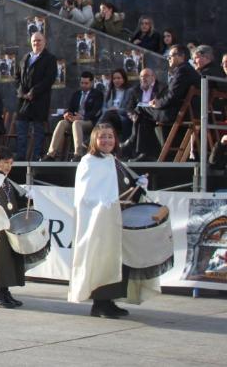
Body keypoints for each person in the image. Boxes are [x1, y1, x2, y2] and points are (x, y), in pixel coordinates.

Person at [70, 123, 165, 317]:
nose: (106, 141)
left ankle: (110, 300)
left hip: (118, 220)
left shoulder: (114, 161)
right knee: (103, 260)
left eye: (110, 137)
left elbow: (123, 188)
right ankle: (100, 303)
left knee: (118, 262)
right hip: (102, 223)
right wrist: (107, 203)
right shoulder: (89, 162)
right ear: (95, 139)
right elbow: (86, 196)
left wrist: (138, 186)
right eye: (102, 137)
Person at [0, 146, 46, 308]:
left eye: (11, 163)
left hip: (10, 227)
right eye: (5, 162)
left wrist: (27, 197)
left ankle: (5, 293)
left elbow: (17, 199)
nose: (8, 166)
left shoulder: (6, 181)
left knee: (9, 261)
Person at [123, 46, 199, 161]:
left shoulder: (183, 70)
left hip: (177, 112)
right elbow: (172, 94)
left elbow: (172, 96)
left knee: (140, 110)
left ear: (181, 56)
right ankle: (146, 152)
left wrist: (157, 103)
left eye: (171, 56)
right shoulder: (187, 70)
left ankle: (140, 147)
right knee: (144, 112)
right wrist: (157, 101)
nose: (168, 58)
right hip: (182, 110)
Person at [15, 33, 58, 160]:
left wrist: (33, 92)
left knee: (38, 131)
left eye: (39, 41)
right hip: (23, 102)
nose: (36, 43)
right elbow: (17, 77)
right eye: (34, 41)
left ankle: (37, 157)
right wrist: (22, 92)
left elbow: (49, 79)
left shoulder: (49, 58)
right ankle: (20, 158)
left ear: (44, 42)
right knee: (22, 131)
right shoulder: (25, 57)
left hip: (39, 100)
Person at [44, 72, 104, 161]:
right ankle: (51, 154)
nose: (83, 85)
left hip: (89, 122)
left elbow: (96, 111)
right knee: (62, 123)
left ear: (92, 83)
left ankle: (78, 154)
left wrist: (82, 117)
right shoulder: (77, 94)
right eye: (82, 83)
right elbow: (71, 108)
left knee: (77, 123)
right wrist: (67, 114)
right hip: (75, 120)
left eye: (86, 83)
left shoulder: (97, 94)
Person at [98, 69, 136, 140]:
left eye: (119, 78)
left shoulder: (130, 91)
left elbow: (129, 110)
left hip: (122, 118)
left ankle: (94, 137)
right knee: (108, 120)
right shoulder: (109, 91)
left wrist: (117, 110)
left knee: (108, 116)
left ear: (124, 79)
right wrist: (109, 110)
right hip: (109, 117)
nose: (116, 80)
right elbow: (103, 108)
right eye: (114, 78)